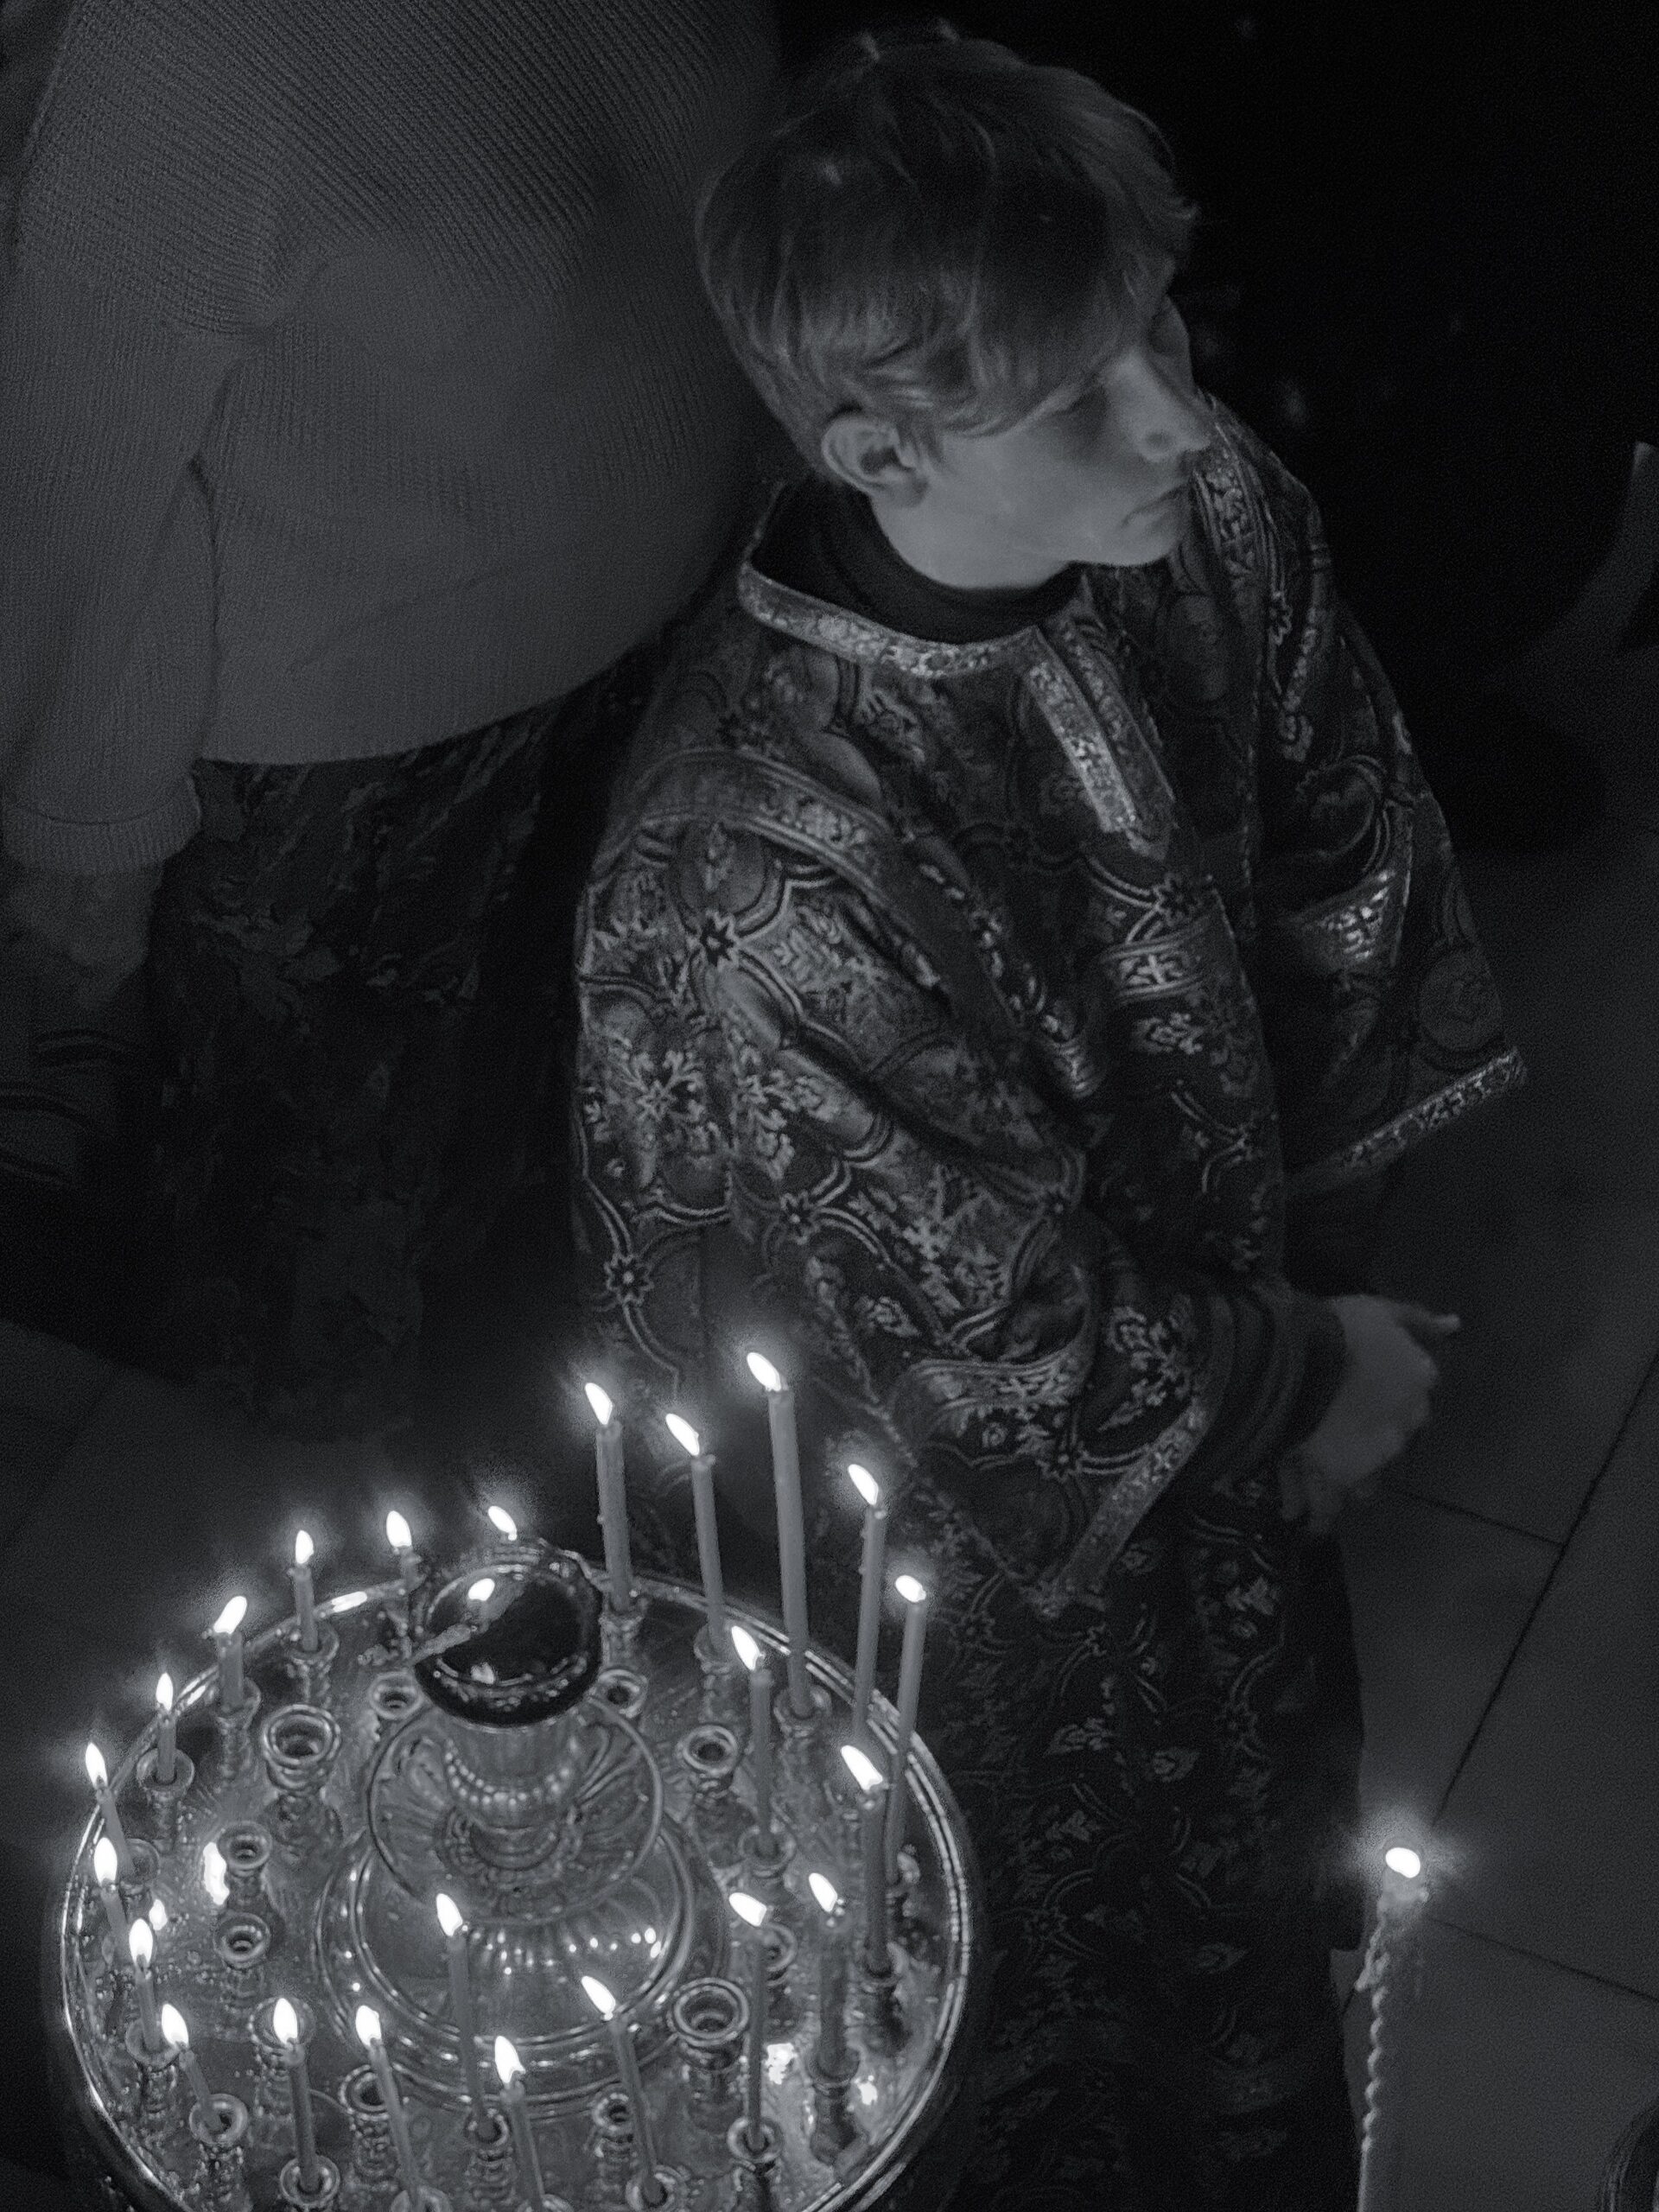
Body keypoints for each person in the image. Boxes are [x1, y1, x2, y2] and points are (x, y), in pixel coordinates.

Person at [570, 22, 1523, 2211]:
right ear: (875, 446)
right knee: (1038, 1947)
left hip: (1231, 1366)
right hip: (966, 1541)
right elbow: (979, 1329)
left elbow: (1345, 871)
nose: (1178, 410)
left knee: (1263, 1842)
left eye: (1160, 328)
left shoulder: (1201, 516)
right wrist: (1303, 1374)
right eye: (1084, 390)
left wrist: (1326, 1288)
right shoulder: (751, 872)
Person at [0, 0, 783, 1433]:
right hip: (466, 706)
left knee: (375, 1265)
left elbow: (77, 462)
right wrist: (84, 835)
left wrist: (78, 840)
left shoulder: (198, 45)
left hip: (527, 702)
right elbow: (81, 454)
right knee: (365, 1262)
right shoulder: (192, 49)